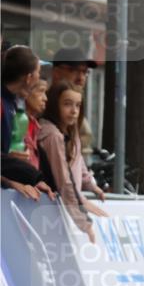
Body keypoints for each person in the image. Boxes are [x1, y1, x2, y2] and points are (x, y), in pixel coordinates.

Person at [36, 82, 107, 242]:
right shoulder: (52, 135)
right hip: (51, 211)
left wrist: (90, 184)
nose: (74, 111)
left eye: (78, 105)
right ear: (54, 104)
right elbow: (64, 181)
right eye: (67, 104)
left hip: (63, 209)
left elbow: (78, 161)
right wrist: (84, 222)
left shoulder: (70, 131)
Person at [1, 45, 50, 194]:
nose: (39, 78)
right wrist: (31, 177)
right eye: (38, 73)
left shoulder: (10, 103)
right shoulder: (3, 104)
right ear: (29, 78)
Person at [50, 48, 98, 156]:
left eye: (85, 72)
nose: (81, 78)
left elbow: (86, 137)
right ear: (56, 72)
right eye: (74, 70)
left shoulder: (77, 109)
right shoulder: (42, 102)